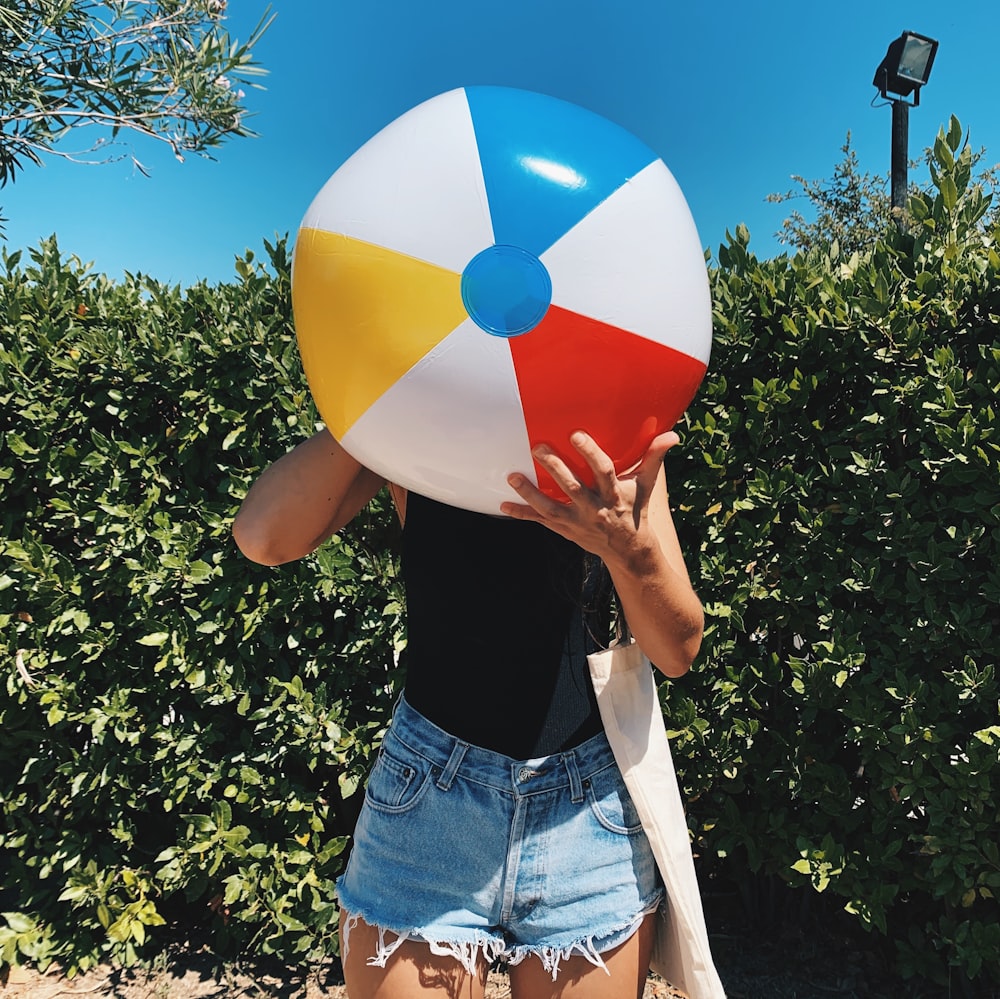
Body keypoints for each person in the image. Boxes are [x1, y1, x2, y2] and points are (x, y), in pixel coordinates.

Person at [233, 424, 704, 999]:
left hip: (586, 806)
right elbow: (264, 537)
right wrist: (380, 399)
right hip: (431, 799)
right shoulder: (421, 414)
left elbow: (677, 652)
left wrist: (630, 552)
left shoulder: (612, 427)